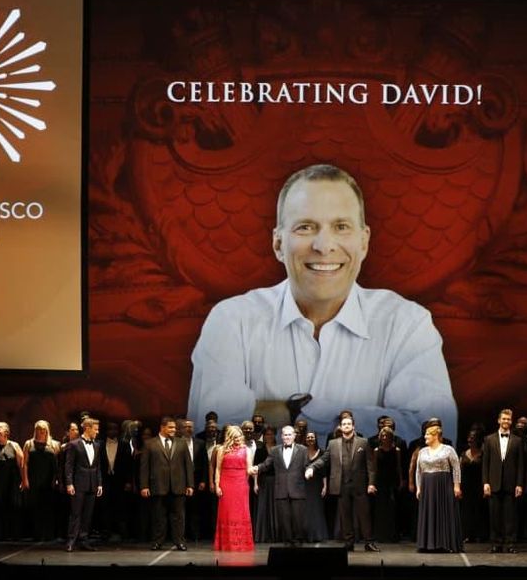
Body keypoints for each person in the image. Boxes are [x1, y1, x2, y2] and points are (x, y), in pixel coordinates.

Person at [188, 164, 458, 446]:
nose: (324, 245)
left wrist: (291, 413)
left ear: (364, 242)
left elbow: (439, 432)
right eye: (305, 227)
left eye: (341, 227)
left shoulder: (407, 323)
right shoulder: (230, 320)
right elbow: (208, 431)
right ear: (278, 244)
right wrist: (359, 419)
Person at [306, 415, 380, 551]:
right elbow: (324, 459)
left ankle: (369, 542)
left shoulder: (363, 442)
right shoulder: (333, 444)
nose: (346, 426)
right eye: (344, 424)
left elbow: (370, 465)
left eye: (348, 423)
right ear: (340, 427)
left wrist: (371, 483)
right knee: (345, 515)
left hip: (359, 484)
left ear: (353, 426)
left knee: (364, 514)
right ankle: (349, 542)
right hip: (341, 484)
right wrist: (312, 467)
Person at [139, 416, 195, 551]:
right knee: (159, 516)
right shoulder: (150, 444)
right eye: (170, 427)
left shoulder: (181, 443)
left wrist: (190, 484)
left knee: (179, 516)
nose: (173, 430)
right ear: (162, 427)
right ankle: (157, 541)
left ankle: (180, 541)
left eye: (174, 427)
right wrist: (144, 486)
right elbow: (144, 467)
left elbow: (188, 465)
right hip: (158, 485)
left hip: (178, 485)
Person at [251, 425, 307, 545]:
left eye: (289, 435)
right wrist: (257, 468)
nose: (287, 437)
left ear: (294, 436)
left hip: (297, 488)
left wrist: (310, 470)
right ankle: (287, 541)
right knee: (284, 519)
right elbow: (266, 464)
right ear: (281, 436)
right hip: (281, 489)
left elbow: (307, 465)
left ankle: (298, 541)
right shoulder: (275, 450)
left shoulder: (303, 449)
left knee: (298, 518)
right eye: (285, 435)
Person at [482, 409, 524, 554]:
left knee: (510, 516)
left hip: (511, 483)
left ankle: (510, 543)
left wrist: (519, 483)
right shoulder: (489, 439)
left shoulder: (518, 441)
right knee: (494, 516)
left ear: (511, 421)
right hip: (493, 482)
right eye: (504, 419)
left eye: (508, 419)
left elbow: (520, 465)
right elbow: (485, 463)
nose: (506, 421)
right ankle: (496, 543)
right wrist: (485, 482)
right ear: (499, 420)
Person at [415, 424, 462, 552]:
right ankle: (427, 544)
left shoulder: (448, 449)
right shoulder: (422, 451)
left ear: (435, 436)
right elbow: (418, 471)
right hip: (427, 486)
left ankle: (445, 543)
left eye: (427, 434)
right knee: (429, 512)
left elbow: (456, 467)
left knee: (443, 511)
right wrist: (418, 487)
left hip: (443, 484)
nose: (425, 436)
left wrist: (456, 485)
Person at [64, 417, 103, 552]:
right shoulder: (74, 445)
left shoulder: (97, 445)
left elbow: (98, 466)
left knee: (88, 514)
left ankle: (84, 540)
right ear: (87, 428)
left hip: (92, 484)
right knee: (76, 513)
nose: (97, 432)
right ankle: (71, 541)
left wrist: (99, 484)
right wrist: (69, 484)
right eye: (95, 429)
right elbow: (68, 466)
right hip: (79, 484)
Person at [213, 425, 254, 551]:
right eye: (235, 437)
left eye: (240, 436)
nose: (238, 439)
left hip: (241, 484)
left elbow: (249, 469)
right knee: (227, 513)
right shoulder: (221, 450)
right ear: (230, 437)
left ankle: (241, 543)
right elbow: (218, 469)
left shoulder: (246, 450)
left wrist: (256, 470)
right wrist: (217, 485)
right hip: (226, 483)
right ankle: (226, 543)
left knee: (241, 513)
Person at [0, 421, 24, 541]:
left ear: (6, 432)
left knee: (13, 506)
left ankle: (13, 534)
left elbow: (21, 465)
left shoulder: (14, 445)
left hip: (12, 480)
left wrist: (23, 480)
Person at [22, 420, 59, 542]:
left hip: (48, 480)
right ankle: (37, 534)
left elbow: (57, 466)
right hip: (33, 479)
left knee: (48, 507)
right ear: (35, 430)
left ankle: (48, 534)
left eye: (43, 430)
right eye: (38, 429)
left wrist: (55, 479)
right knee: (35, 507)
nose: (41, 432)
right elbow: (25, 464)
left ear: (47, 431)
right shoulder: (29, 444)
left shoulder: (53, 444)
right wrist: (25, 479)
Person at [371, 426, 403, 543]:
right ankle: (381, 535)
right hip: (380, 482)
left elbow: (398, 467)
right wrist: (372, 483)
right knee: (381, 509)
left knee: (392, 508)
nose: (385, 438)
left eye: (387, 436)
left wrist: (400, 481)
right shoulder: (376, 451)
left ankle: (392, 535)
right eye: (383, 436)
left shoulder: (397, 450)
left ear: (391, 437)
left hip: (392, 481)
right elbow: (374, 469)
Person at [459, 428, 488, 544]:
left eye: (473, 437)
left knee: (480, 510)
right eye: (469, 437)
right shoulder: (463, 453)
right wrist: (458, 486)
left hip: (479, 485)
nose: (470, 439)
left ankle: (480, 535)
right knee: (467, 511)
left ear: (478, 439)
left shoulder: (483, 453)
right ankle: (468, 534)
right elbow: (459, 471)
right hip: (466, 486)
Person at [303, 432, 329, 542]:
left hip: (317, 484)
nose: (310, 439)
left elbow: (324, 472)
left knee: (316, 509)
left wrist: (325, 486)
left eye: (312, 437)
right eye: (308, 437)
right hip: (304, 484)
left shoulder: (322, 452)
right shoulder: (301, 452)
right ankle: (306, 535)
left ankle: (318, 535)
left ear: (316, 439)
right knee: (306, 510)